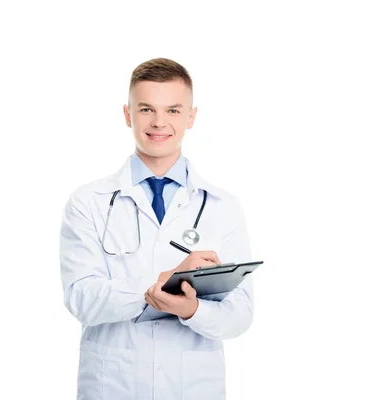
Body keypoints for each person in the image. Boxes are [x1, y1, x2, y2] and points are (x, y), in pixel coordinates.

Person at [58, 58, 255, 400]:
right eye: (147, 109)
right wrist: (160, 288)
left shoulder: (223, 207)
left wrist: (192, 310)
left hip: (193, 388)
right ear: (127, 114)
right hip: (114, 387)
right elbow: (81, 297)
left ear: (191, 117)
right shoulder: (88, 201)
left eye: (173, 111)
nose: (159, 122)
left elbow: (240, 314)